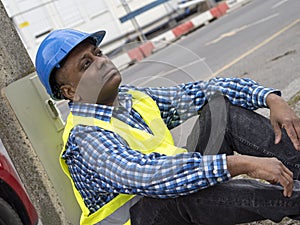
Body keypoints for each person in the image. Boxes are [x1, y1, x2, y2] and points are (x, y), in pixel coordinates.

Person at [35, 29, 300, 225]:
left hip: (167, 205)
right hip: (147, 215)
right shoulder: (85, 138)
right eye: (86, 64)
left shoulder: (131, 99)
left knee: (220, 114)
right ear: (71, 92)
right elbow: (151, 177)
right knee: (173, 190)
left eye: (98, 53)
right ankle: (293, 199)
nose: (101, 61)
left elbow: (202, 92)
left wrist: (269, 98)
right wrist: (240, 164)